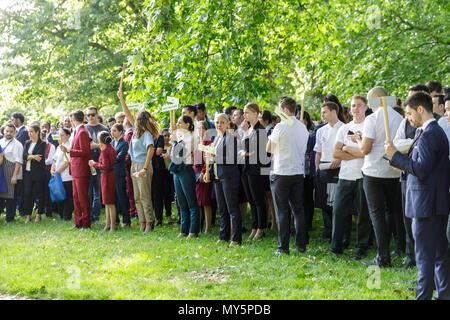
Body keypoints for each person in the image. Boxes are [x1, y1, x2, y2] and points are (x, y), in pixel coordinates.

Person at [385, 92, 450, 300]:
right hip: (434, 204)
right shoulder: (430, 132)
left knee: (424, 259)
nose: (408, 118)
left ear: (420, 109)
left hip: (426, 206)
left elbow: (422, 169)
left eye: (410, 113)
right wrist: (401, 166)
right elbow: (427, 168)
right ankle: (444, 295)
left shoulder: (430, 133)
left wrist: (396, 156)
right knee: (439, 255)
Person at [354, 86, 403, 267]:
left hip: (374, 172)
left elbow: (365, 149)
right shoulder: (400, 118)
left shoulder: (372, 119)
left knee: (377, 215)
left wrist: (358, 140)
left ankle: (383, 257)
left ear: (375, 99)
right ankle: (400, 248)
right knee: (394, 212)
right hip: (393, 171)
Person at [330, 95, 371, 260]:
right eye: (353, 106)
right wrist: (358, 153)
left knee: (363, 215)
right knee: (338, 211)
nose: (355, 109)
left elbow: (366, 152)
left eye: (359, 105)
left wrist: (347, 148)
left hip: (363, 176)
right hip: (345, 176)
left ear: (366, 107)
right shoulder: (344, 128)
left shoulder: (370, 126)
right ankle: (336, 247)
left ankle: (361, 248)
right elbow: (335, 152)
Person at [267, 97, 309, 255]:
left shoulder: (280, 126)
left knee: (282, 211)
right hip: (298, 172)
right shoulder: (302, 127)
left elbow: (269, 148)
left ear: (285, 110)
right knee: (298, 210)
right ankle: (301, 245)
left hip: (282, 172)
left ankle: (283, 247)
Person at [118, 89, 159, 233]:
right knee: (136, 196)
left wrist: (145, 168)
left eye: (139, 120)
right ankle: (142, 221)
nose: (136, 121)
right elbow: (128, 114)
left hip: (143, 165)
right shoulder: (135, 132)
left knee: (144, 195)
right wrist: (121, 99)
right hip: (134, 165)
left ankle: (149, 222)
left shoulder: (147, 134)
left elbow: (151, 150)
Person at [204, 113, 242, 246]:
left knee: (232, 208)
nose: (219, 125)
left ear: (227, 123)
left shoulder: (231, 138)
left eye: (221, 122)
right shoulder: (216, 139)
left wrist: (214, 158)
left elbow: (232, 158)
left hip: (229, 176)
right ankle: (223, 236)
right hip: (217, 177)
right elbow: (212, 159)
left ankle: (236, 238)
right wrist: (207, 172)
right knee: (222, 209)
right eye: (217, 122)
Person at [314, 101, 344, 242]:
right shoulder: (320, 131)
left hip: (339, 167)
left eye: (324, 112)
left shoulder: (344, 128)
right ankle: (327, 230)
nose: (322, 115)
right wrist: (317, 168)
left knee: (336, 203)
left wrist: (339, 160)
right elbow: (318, 152)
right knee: (324, 201)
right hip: (323, 168)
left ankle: (339, 232)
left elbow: (347, 149)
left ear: (333, 112)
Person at [240, 103, 270, 241]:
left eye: (247, 112)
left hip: (256, 170)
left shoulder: (260, 130)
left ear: (255, 113)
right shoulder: (249, 129)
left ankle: (261, 228)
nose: (244, 115)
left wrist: (245, 153)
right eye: (244, 113)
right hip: (246, 169)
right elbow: (242, 149)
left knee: (258, 200)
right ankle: (254, 227)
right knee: (251, 201)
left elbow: (256, 152)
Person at [168, 115, 200, 238]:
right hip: (177, 171)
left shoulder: (191, 137)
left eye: (180, 122)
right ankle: (183, 229)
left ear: (187, 124)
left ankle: (193, 230)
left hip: (186, 169)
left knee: (191, 202)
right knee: (181, 203)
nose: (178, 124)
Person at [60, 110, 92, 229]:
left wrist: (69, 151)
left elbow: (85, 152)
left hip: (81, 169)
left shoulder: (83, 132)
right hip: (75, 169)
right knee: (76, 197)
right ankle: (78, 222)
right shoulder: (76, 131)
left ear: (73, 119)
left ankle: (86, 223)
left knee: (82, 197)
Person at [85, 106, 109, 224]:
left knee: (97, 193)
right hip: (87, 163)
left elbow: (107, 146)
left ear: (97, 115)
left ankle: (96, 216)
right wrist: (98, 145)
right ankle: (88, 215)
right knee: (88, 192)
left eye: (93, 114)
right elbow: (85, 146)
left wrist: (93, 145)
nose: (91, 117)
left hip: (100, 163)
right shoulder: (84, 129)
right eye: (88, 115)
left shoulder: (104, 128)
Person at [90, 131, 117, 232]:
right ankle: (107, 224)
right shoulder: (110, 148)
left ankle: (113, 226)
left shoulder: (105, 150)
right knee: (106, 201)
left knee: (110, 202)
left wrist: (94, 164)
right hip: (107, 175)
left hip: (107, 175)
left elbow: (105, 166)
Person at [22, 124, 47, 223]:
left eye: (32, 131)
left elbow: (39, 157)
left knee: (40, 193)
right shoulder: (27, 143)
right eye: (29, 131)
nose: (30, 134)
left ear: (37, 132)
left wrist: (29, 156)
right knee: (27, 194)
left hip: (38, 173)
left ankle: (38, 214)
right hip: (27, 172)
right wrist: (32, 157)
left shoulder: (42, 144)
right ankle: (28, 215)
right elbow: (24, 156)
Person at [193, 121, 214, 233]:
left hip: (204, 172)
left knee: (206, 202)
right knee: (198, 202)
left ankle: (208, 228)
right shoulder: (197, 143)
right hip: (195, 172)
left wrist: (203, 172)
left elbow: (209, 160)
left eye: (201, 128)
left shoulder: (209, 143)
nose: (199, 130)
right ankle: (199, 226)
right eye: (197, 128)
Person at [0, 123, 24, 222]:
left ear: (15, 132)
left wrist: (14, 176)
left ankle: (10, 217)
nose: (8, 133)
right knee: (1, 194)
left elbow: (19, 161)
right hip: (2, 172)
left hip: (12, 172)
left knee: (11, 196)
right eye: (7, 131)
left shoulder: (17, 144)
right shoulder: (0, 141)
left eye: (11, 131)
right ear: (3, 131)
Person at [51, 127, 74, 221]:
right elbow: (54, 159)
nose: (60, 137)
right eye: (59, 135)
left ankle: (67, 215)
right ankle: (61, 214)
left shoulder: (68, 147)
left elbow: (67, 162)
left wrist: (57, 172)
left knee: (68, 196)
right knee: (59, 194)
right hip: (57, 175)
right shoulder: (59, 147)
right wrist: (52, 170)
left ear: (68, 136)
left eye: (62, 135)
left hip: (66, 176)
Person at [110, 123, 131, 227]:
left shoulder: (124, 143)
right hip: (111, 172)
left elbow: (119, 157)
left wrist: (108, 159)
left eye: (114, 130)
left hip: (119, 173)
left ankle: (126, 220)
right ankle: (116, 219)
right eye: (111, 130)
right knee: (113, 196)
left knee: (121, 196)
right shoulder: (111, 142)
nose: (112, 132)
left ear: (120, 132)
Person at [123, 117, 137, 218]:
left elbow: (128, 150)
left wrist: (125, 162)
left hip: (129, 164)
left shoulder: (129, 133)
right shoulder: (129, 132)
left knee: (131, 188)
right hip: (129, 163)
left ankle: (134, 211)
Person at [40, 129, 56, 218]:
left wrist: (40, 161)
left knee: (47, 191)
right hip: (39, 171)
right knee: (40, 191)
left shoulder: (51, 146)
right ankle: (40, 209)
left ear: (45, 138)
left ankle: (48, 210)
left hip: (47, 171)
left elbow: (50, 160)